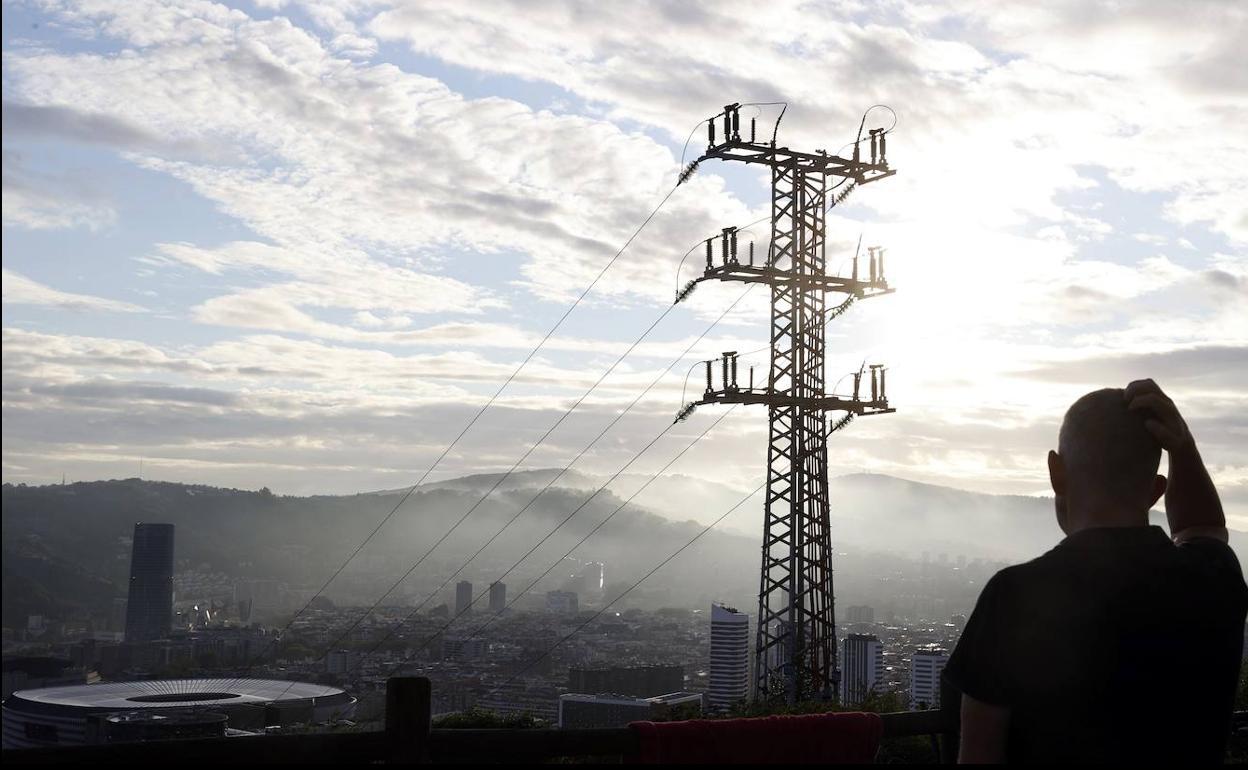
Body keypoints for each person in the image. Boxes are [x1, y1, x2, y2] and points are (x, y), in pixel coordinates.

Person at [944, 379, 1247, 763]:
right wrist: (1182, 445)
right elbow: (1203, 527)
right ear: (1156, 491)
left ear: (1056, 472)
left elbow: (979, 755)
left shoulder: (1015, 596)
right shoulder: (1213, 577)